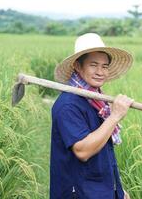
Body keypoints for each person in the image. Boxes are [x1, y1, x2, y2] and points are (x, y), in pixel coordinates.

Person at [50, 33, 134, 199]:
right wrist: (115, 116)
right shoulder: (68, 105)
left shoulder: (96, 100)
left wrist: (118, 189)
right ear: (78, 66)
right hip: (80, 193)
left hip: (101, 190)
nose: (100, 72)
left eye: (104, 66)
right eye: (93, 65)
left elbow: (104, 149)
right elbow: (83, 150)